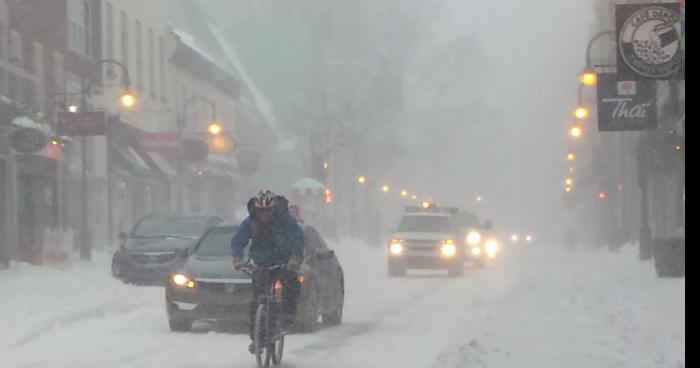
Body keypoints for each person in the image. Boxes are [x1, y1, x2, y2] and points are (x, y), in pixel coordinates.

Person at [231, 190, 305, 353]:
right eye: (260, 211)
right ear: (255, 210)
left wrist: (295, 258)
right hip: (261, 263)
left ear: (274, 209)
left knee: (291, 286)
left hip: (282, 262)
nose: (264, 214)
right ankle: (256, 336)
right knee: (256, 299)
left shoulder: (285, 221)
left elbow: (297, 237)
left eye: (268, 211)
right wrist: (237, 257)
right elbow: (239, 239)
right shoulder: (250, 222)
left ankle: (287, 318)